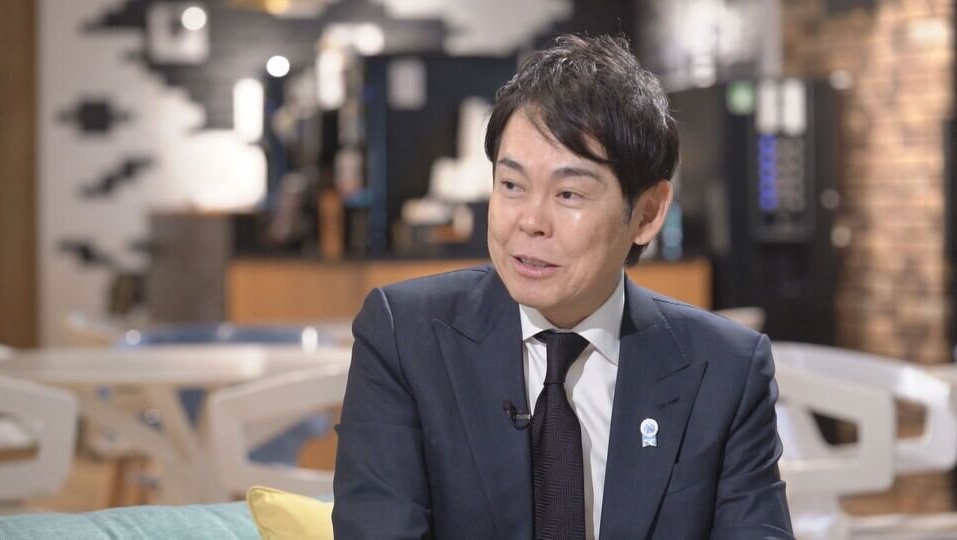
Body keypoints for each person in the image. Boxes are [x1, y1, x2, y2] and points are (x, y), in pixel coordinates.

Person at [333, 34, 793, 539]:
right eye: (512, 185)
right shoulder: (404, 338)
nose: (530, 221)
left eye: (569, 193)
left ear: (647, 213)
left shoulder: (726, 371)